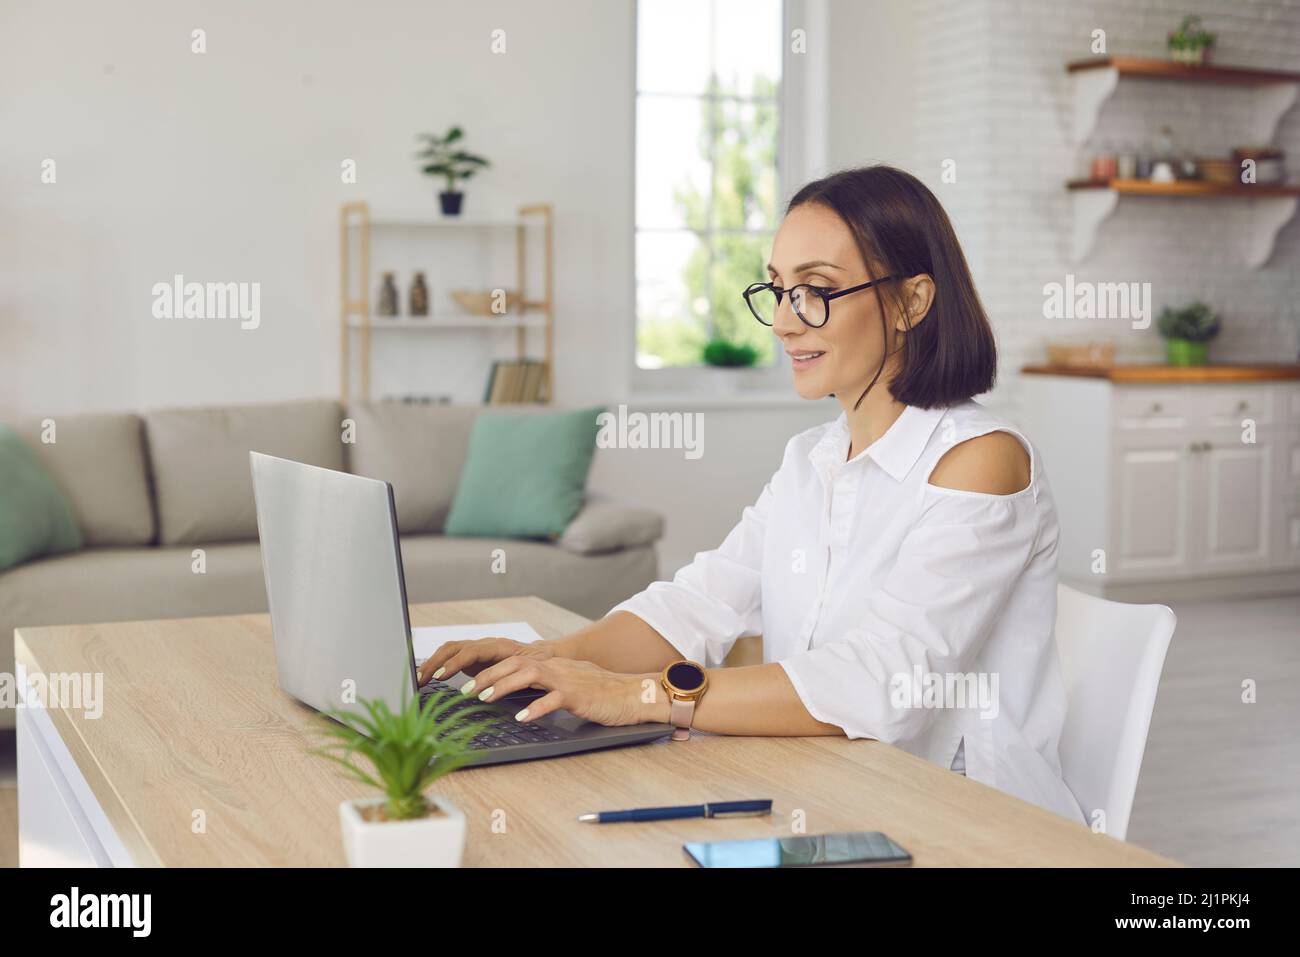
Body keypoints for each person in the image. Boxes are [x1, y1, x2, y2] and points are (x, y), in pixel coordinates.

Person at [419, 165, 1084, 822]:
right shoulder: (811, 459)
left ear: (912, 301)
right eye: (778, 290)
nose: (785, 324)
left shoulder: (982, 459)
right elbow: (700, 602)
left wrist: (644, 696)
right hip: (831, 788)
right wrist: (550, 658)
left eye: (816, 289)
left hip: (966, 818)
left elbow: (884, 683)